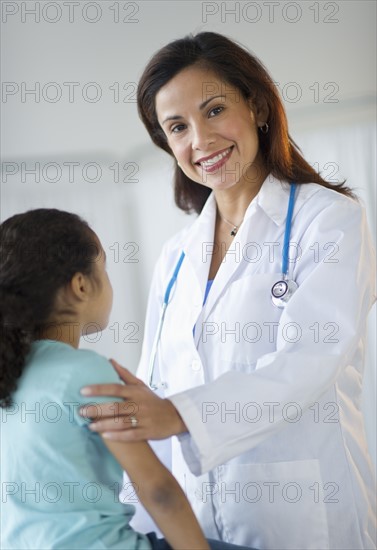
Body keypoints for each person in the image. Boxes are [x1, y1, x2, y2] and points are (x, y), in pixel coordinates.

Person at [79, 32, 377, 549]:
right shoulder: (176, 256)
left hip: (304, 519)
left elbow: (308, 360)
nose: (201, 140)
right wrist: (133, 524)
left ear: (257, 105)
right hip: (199, 525)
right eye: (178, 127)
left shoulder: (328, 220)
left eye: (214, 110)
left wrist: (178, 415)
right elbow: (155, 386)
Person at [0, 208, 254, 550]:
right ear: (80, 285)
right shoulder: (87, 374)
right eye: (103, 267)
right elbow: (159, 492)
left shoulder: (8, 376)